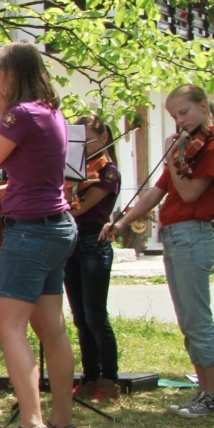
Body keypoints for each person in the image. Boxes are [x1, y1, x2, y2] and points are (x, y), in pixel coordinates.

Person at [103, 84, 214, 419]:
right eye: (174, 116)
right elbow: (155, 192)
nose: (179, 121)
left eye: (183, 113)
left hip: (194, 234)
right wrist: (121, 222)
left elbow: (190, 193)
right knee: (186, 320)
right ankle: (204, 392)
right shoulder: (188, 149)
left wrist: (174, 156)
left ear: (204, 107)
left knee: (198, 318)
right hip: (175, 235)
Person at [0, 41, 77, 428]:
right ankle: (62, 421)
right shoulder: (52, 111)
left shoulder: (19, 114)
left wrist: (1, 112)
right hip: (57, 227)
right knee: (51, 327)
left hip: (30, 232)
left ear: (12, 75)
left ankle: (32, 426)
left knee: (8, 326)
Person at [64, 114, 123, 403]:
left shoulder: (107, 172)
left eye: (87, 140)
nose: (83, 147)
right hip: (72, 243)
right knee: (79, 317)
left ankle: (108, 379)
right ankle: (88, 377)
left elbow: (81, 208)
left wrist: (58, 206)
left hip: (93, 241)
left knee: (96, 316)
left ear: (103, 138)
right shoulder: (75, 170)